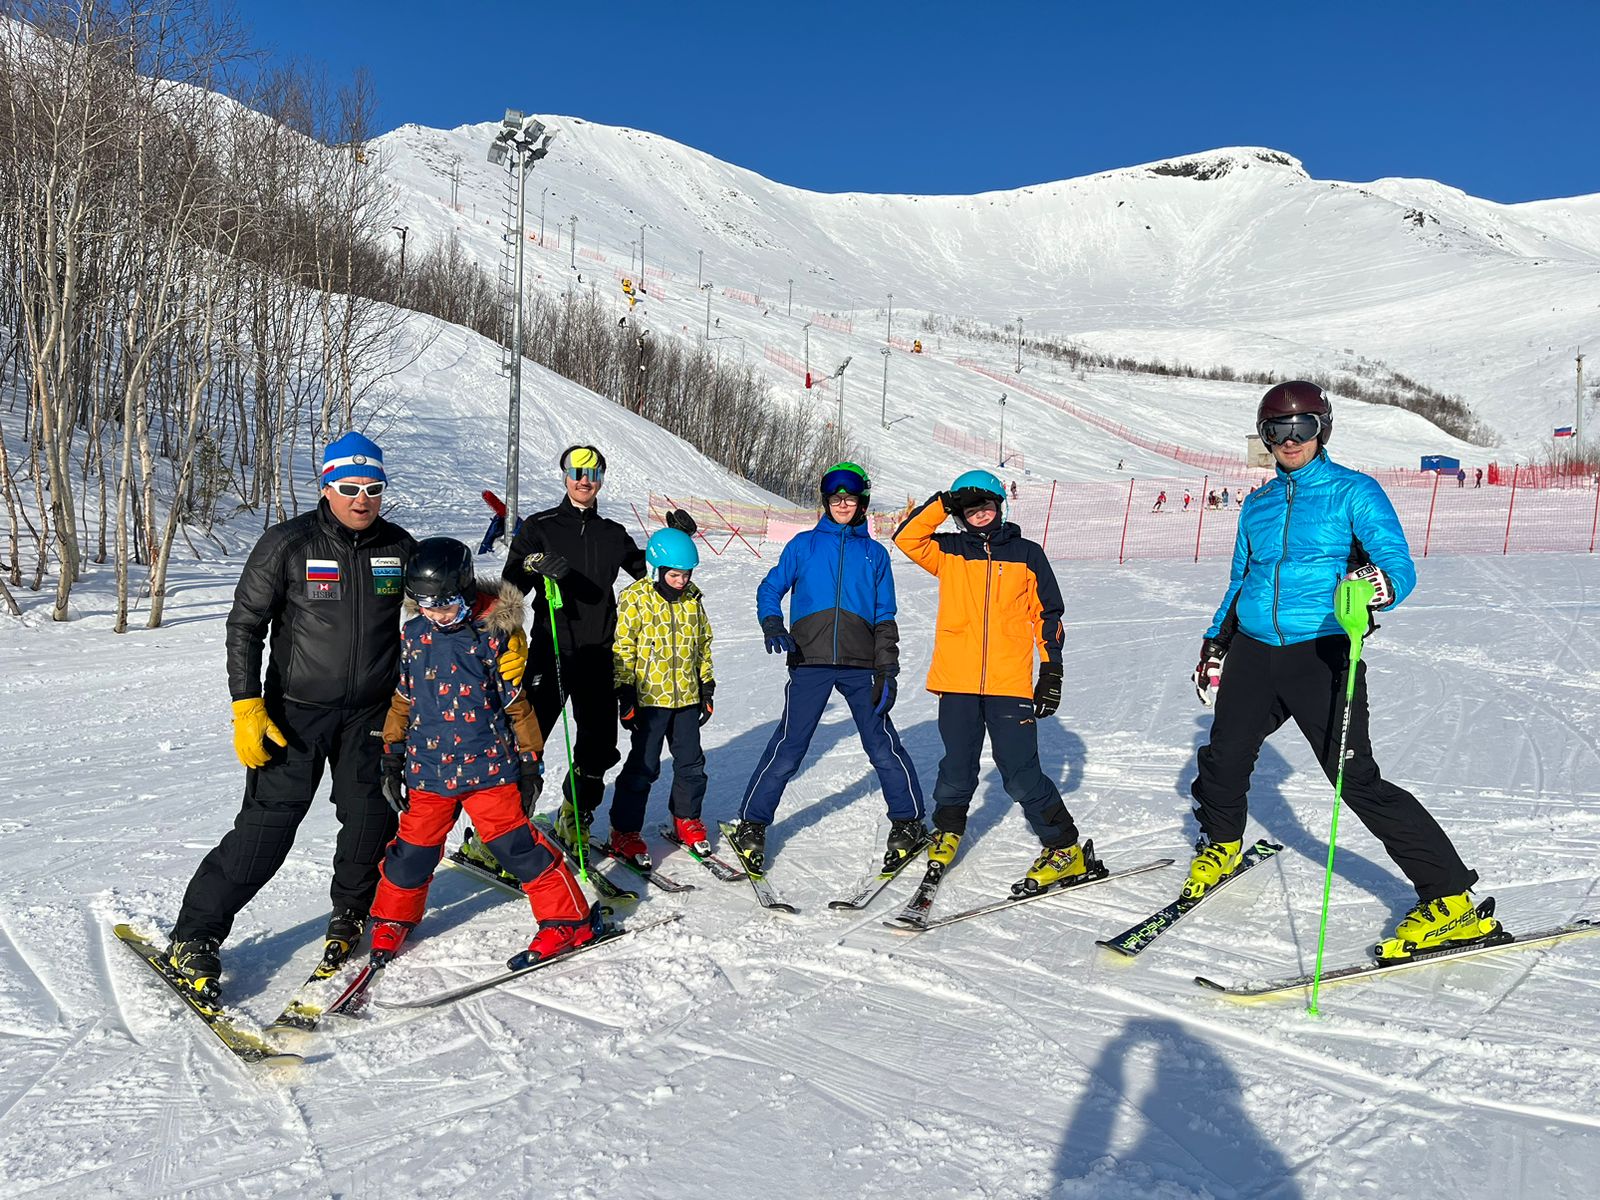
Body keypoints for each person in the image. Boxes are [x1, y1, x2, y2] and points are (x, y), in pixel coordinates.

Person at [1186, 381, 1489, 959]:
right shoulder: (1257, 503)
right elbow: (1240, 579)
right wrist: (1215, 642)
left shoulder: (1354, 491)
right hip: (1255, 648)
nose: (1290, 440)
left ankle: (1451, 899)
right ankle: (1222, 844)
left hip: (1322, 651)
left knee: (1355, 777)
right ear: (1265, 436)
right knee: (1224, 756)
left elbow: (1397, 562)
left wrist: (1380, 584)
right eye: (1277, 430)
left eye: (1302, 427)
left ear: (1321, 430)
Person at [163, 432, 429, 1003]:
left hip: (371, 715)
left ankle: (352, 913)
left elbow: (442, 599)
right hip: (293, 714)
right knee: (266, 830)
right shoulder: (288, 544)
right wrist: (246, 703)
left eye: (373, 488)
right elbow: (245, 625)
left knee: (370, 821)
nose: (362, 499)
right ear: (326, 487)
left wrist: (498, 617)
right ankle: (194, 936)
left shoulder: (398, 547)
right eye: (349, 487)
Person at [368, 540, 593, 966]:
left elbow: (517, 707)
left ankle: (569, 920)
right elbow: (403, 698)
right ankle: (393, 918)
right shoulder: (414, 634)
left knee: (515, 847)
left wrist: (530, 764)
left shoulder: (494, 636)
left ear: (466, 591)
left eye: (444, 605)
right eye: (425, 605)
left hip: (489, 769)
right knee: (411, 853)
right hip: (429, 770)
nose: (435, 615)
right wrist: (392, 754)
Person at [894, 470, 1087, 893]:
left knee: (1020, 772)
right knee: (956, 767)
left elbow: (1047, 615)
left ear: (1001, 506)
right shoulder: (948, 552)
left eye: (986, 505)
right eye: (970, 509)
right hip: (957, 681)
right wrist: (944, 501)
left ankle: (1064, 847)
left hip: (1009, 683)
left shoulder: (1027, 554)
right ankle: (948, 830)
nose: (980, 514)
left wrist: (1051, 669)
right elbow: (906, 538)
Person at [729, 463, 925, 871]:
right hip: (810, 661)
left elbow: (885, 615)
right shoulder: (804, 546)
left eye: (850, 499)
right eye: (836, 498)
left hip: (860, 665)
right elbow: (770, 587)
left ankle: (908, 820)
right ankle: (752, 824)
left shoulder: (874, 554)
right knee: (789, 747)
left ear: (862, 503)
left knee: (881, 744)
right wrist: (772, 622)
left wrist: (887, 670)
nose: (842, 505)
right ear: (826, 502)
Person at [501, 445, 648, 848]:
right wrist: (531, 564)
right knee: (527, 739)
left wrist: (676, 541)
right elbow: (510, 587)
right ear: (565, 475)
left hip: (599, 654)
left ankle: (574, 816)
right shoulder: (540, 527)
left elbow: (650, 575)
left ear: (601, 479)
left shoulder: (612, 533)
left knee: (598, 746)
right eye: (577, 472)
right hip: (551, 650)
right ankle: (501, 829)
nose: (585, 480)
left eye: (593, 473)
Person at [607, 528, 716, 864]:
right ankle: (624, 831)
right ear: (656, 569)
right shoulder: (635, 598)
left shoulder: (692, 598)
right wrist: (625, 692)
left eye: (686, 574)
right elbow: (623, 647)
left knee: (692, 764)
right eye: (674, 575)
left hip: (686, 698)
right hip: (650, 700)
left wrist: (706, 686)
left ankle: (686, 818)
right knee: (644, 766)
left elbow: (703, 644)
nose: (681, 582)